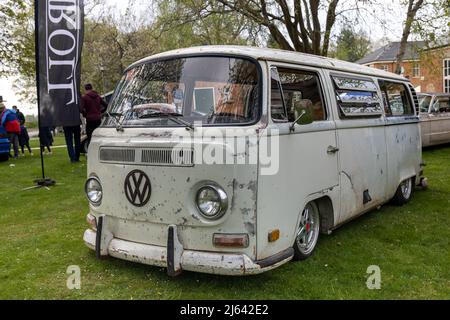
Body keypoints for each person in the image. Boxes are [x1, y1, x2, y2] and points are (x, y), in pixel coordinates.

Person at [80, 83, 107, 148]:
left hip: (90, 120)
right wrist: (100, 112)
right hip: (98, 119)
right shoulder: (98, 96)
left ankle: (90, 152)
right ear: (92, 88)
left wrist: (85, 114)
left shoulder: (85, 97)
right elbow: (106, 105)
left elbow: (80, 109)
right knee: (98, 136)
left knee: (90, 137)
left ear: (85, 89)